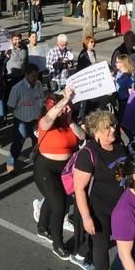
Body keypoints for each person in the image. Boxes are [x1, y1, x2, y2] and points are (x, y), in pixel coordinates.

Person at [73, 111, 129, 270]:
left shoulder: (120, 146)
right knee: (101, 244)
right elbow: (79, 189)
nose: (112, 129)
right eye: (107, 128)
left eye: (113, 125)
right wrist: (86, 217)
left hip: (121, 207)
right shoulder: (88, 154)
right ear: (96, 132)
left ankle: (80, 253)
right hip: (99, 209)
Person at [34, 87, 85, 259]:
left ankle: (42, 228)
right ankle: (58, 244)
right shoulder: (44, 122)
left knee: (53, 199)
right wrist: (65, 99)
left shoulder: (68, 122)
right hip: (45, 168)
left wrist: (70, 119)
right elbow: (50, 117)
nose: (64, 109)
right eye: (62, 108)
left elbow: (82, 136)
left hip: (65, 170)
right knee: (59, 205)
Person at [6, 63, 44, 173]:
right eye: (33, 76)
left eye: (37, 76)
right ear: (26, 75)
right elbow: (10, 106)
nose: (35, 79)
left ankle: (36, 162)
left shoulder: (39, 85)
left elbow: (41, 99)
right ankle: (10, 162)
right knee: (18, 143)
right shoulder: (17, 88)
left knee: (37, 143)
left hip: (35, 120)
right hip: (21, 120)